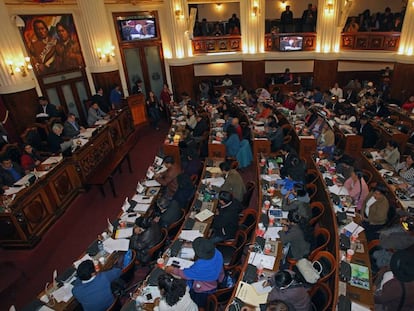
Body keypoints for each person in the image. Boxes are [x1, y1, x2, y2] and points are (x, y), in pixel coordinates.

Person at [165, 237, 224, 308]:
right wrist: (190, 245)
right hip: (218, 279)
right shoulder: (216, 252)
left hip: (205, 289)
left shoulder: (201, 265)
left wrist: (171, 269)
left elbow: (185, 274)